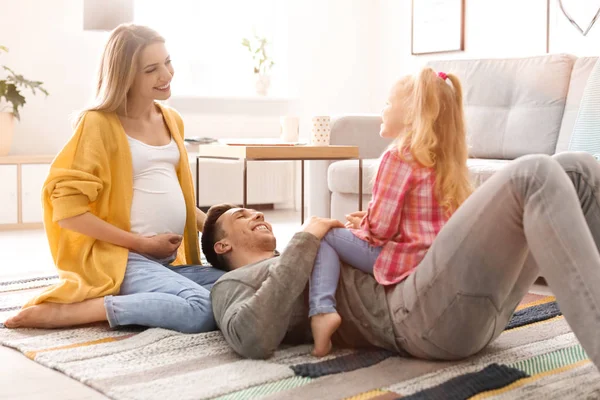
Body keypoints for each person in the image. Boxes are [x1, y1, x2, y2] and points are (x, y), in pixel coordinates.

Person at [202, 153, 600, 368]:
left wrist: (369, 229)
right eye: (241, 216)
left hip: (457, 305)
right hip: (413, 319)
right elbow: (252, 337)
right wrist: (306, 237)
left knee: (579, 169)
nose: (256, 214)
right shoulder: (230, 284)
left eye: (254, 211)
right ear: (222, 248)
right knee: (532, 173)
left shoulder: (308, 249)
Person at [3, 24, 225, 333]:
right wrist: (141, 244)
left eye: (167, 62)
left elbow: (178, 195)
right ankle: (75, 312)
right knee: (203, 310)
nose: (167, 74)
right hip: (123, 260)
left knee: (238, 286)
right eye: (151, 69)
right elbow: (67, 213)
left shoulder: (171, 119)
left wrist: (221, 227)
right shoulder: (98, 124)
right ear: (125, 76)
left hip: (166, 259)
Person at [308, 68, 472, 356]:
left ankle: (321, 311)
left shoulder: (397, 157)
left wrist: (362, 226)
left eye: (387, 103)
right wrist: (367, 219)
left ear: (410, 113)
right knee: (340, 233)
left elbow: (381, 230)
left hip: (406, 259)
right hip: (434, 258)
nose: (382, 110)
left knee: (326, 235)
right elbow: (417, 220)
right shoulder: (446, 161)